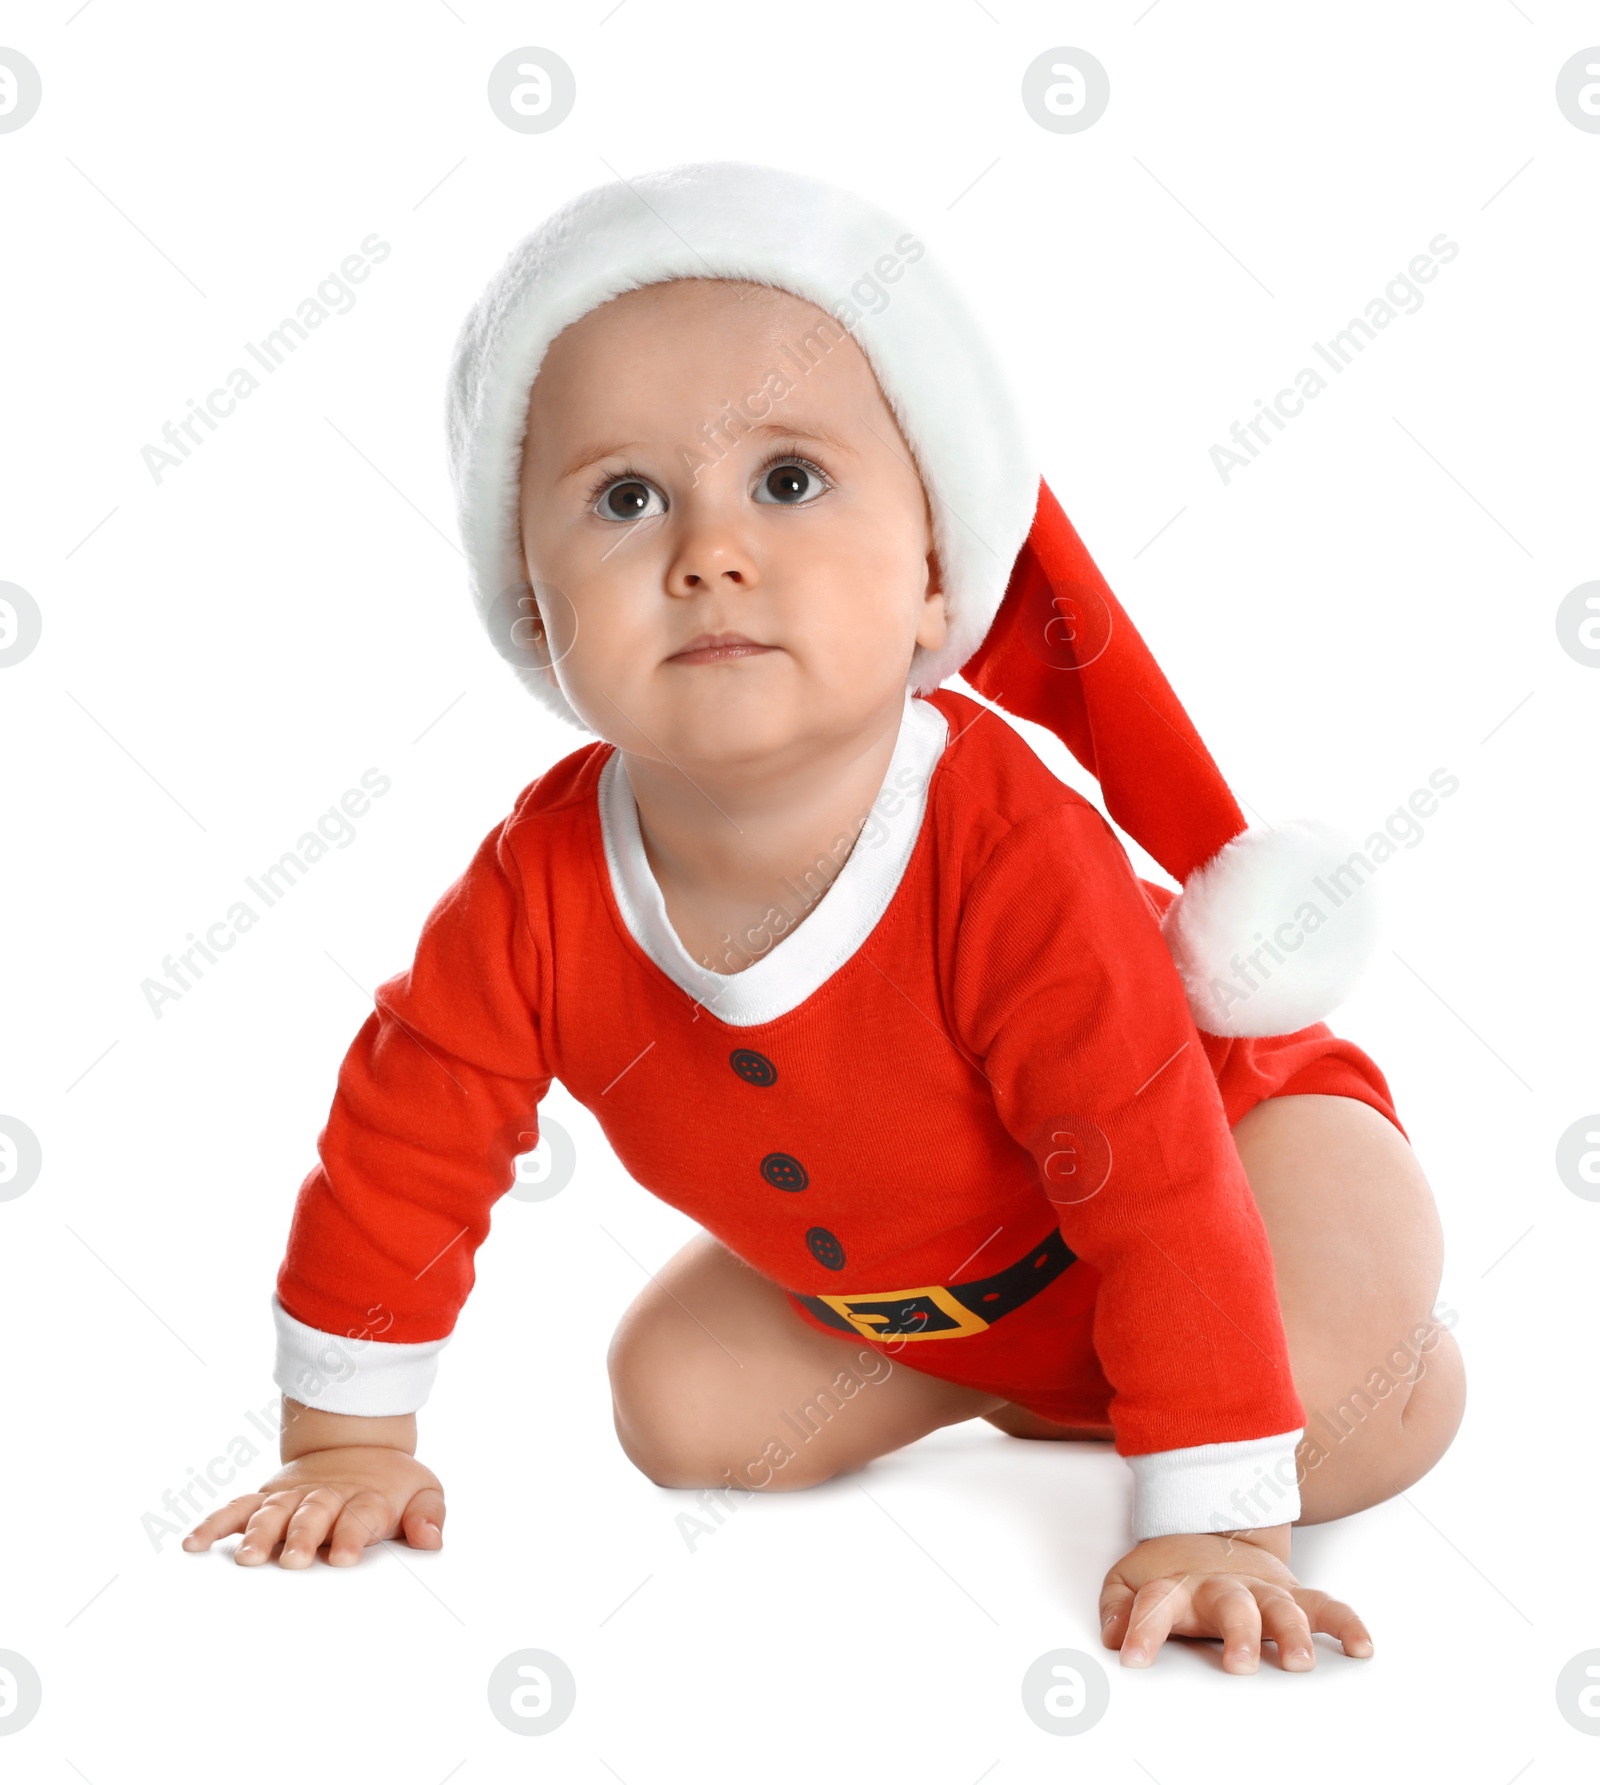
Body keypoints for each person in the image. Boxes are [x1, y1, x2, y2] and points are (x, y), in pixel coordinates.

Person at [182, 162, 1464, 1674]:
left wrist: (1220, 1516)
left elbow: (1145, 1166)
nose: (707, 550)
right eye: (625, 497)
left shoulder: (1001, 848)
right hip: (927, 1287)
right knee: (681, 1407)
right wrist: (345, 1438)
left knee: (1317, 1398)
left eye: (789, 480)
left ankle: (1303, 1386)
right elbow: (411, 1126)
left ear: (935, 576)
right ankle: (1022, 1383)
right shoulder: (541, 884)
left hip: (1243, 1148)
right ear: (534, 607)